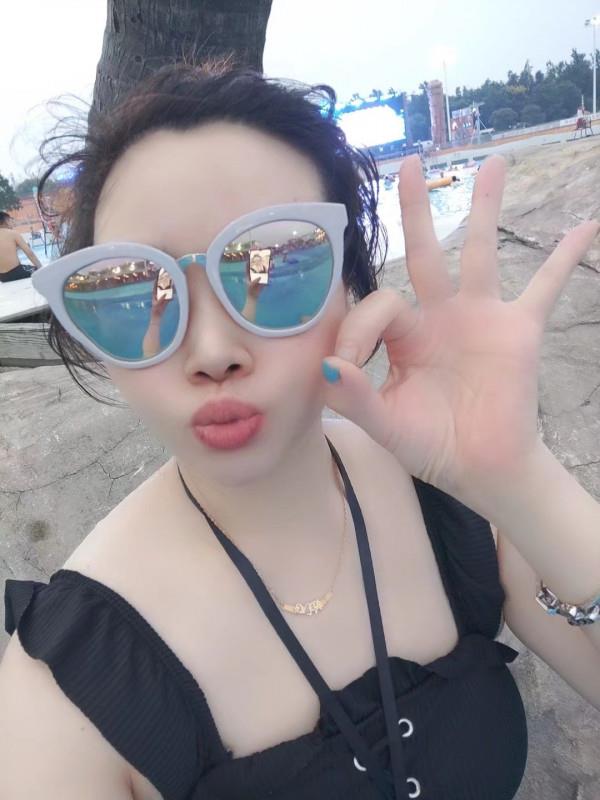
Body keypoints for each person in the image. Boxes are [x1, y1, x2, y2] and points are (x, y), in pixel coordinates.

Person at [1, 62, 600, 800]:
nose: (213, 352)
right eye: (134, 291)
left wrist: (519, 477)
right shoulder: (68, 687)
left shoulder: (447, 500)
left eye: (272, 268)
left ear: (350, 286)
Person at [0, 211, 42, 282]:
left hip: (2, 277)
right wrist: (41, 268)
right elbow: (29, 253)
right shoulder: (13, 233)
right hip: (17, 272)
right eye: (11, 220)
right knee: (37, 270)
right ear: (6, 221)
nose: (13, 223)